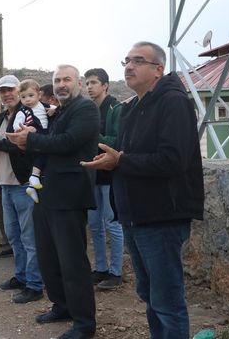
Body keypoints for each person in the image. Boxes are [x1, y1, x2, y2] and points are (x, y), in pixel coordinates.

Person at [82, 41, 204, 338]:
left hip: (162, 217)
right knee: (150, 297)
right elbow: (127, 157)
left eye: (138, 61)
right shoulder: (133, 107)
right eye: (126, 60)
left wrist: (120, 160)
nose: (129, 66)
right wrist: (111, 161)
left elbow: (173, 159)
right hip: (135, 215)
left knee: (167, 302)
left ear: (158, 69)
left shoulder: (173, 102)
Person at [7, 64, 99, 339]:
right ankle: (62, 306)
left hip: (70, 195)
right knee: (49, 257)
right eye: (57, 80)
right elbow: (49, 143)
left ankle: (84, 323)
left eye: (66, 79)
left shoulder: (85, 109)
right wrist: (25, 142)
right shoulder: (58, 111)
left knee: (72, 262)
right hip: (47, 192)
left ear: (78, 83)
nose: (61, 84)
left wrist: (31, 140)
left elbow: (68, 142)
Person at [0, 75, 44, 305]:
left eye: (10, 90)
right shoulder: (3, 116)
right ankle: (21, 277)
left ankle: (35, 285)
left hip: (22, 183)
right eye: (2, 91)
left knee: (29, 237)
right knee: (13, 236)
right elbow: (1, 146)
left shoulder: (28, 112)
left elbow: (23, 144)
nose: (7, 94)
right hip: (4, 183)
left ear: (19, 90)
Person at [84, 68, 124, 290]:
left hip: (110, 177)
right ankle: (100, 269)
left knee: (113, 224)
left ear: (105, 85)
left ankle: (116, 273)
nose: (89, 86)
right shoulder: (89, 109)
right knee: (95, 225)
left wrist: (91, 135)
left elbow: (116, 141)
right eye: (87, 83)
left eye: (93, 82)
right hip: (92, 176)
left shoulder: (115, 108)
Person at [13, 79, 51, 203]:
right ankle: (34, 177)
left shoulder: (43, 106)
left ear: (39, 95)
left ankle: (31, 186)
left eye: (30, 95)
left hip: (45, 135)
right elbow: (16, 124)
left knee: (43, 157)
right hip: (35, 136)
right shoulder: (23, 111)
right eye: (23, 97)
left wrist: (53, 110)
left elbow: (56, 108)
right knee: (41, 156)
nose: (27, 100)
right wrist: (23, 129)